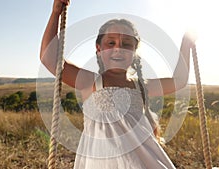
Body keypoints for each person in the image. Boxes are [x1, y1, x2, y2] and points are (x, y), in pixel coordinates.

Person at [40, 0, 196, 168]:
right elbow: (49, 59)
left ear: (134, 51)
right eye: (111, 43)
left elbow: (179, 80)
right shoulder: (90, 82)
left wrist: (186, 43)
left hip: (141, 162)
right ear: (99, 49)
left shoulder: (141, 86)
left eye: (127, 44)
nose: (118, 48)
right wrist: (55, 14)